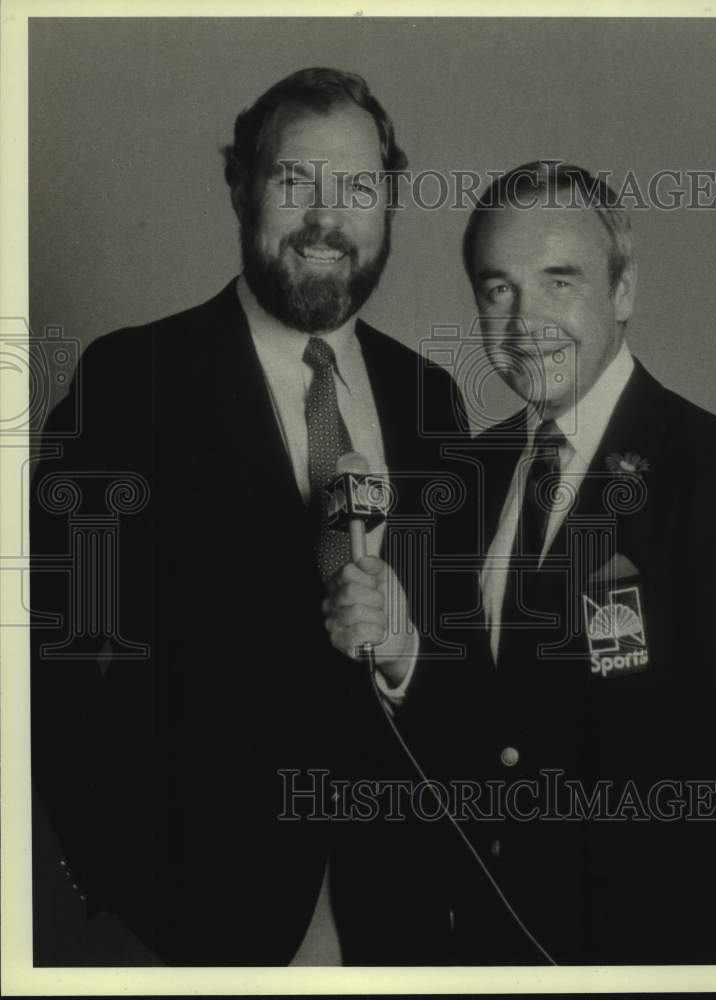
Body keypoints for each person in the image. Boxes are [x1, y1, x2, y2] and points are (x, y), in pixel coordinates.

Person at [30, 67, 471, 967]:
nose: (325, 217)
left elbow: (463, 662)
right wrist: (128, 887)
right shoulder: (127, 385)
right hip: (202, 922)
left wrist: (403, 654)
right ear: (241, 186)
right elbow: (63, 659)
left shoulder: (434, 401)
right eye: (292, 181)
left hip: (404, 915)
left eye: (356, 187)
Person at [327, 161, 716, 964]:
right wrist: (405, 653)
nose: (526, 323)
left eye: (560, 283)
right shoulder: (463, 481)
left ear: (623, 292)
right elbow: (486, 731)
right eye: (498, 290)